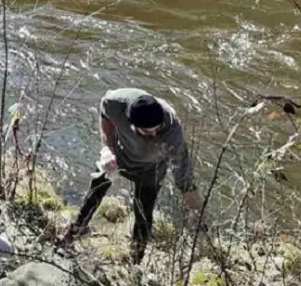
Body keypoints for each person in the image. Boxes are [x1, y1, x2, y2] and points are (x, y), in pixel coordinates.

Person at [64, 88, 203, 264]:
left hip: (150, 169)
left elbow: (185, 182)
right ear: (130, 123)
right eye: (146, 132)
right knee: (97, 188)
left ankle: (135, 259)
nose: (154, 135)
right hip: (119, 156)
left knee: (144, 212)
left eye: (156, 130)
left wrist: (199, 217)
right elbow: (105, 115)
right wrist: (107, 149)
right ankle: (76, 229)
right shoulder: (115, 103)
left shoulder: (172, 133)